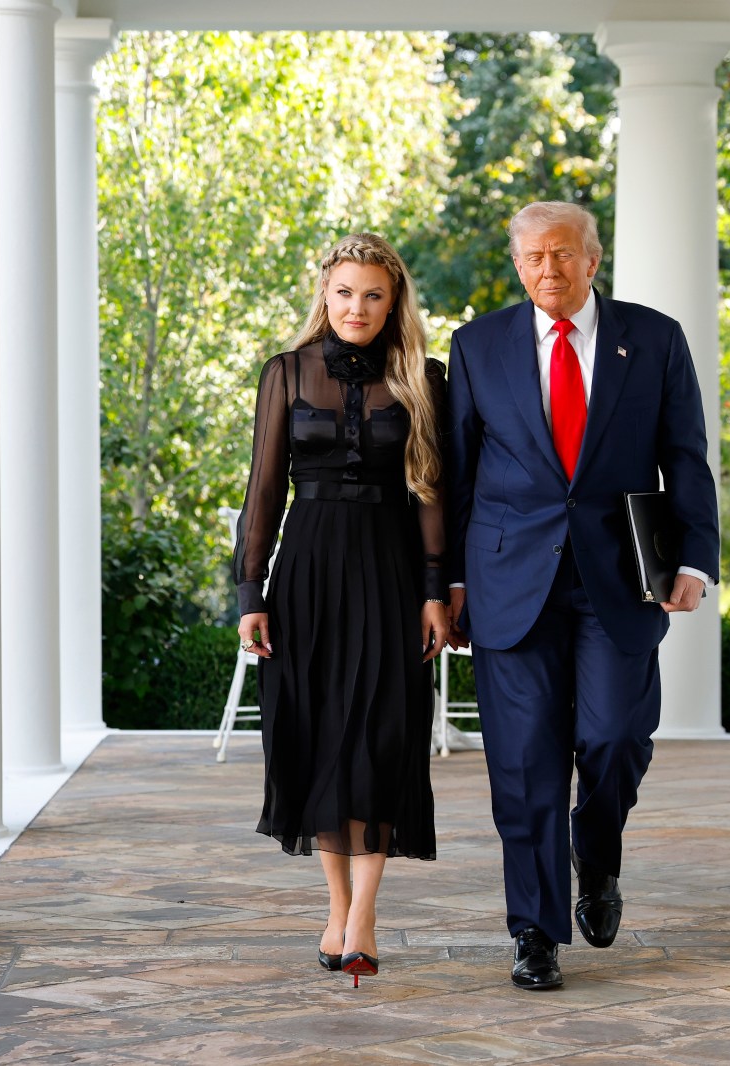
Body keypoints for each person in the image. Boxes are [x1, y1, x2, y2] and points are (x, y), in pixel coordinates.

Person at [443, 202, 720, 990]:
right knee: (525, 761)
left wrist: (695, 558)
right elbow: (457, 471)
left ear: (592, 260)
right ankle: (534, 931)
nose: (548, 270)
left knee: (614, 736)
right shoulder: (477, 346)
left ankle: (596, 857)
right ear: (517, 264)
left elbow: (685, 455)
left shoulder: (654, 338)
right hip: (507, 581)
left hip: (620, 577)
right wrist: (450, 583)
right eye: (533, 257)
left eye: (562, 254)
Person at [234, 233, 451, 987]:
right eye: (345, 293)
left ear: (393, 304)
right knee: (320, 739)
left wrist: (435, 590)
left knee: (382, 738)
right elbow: (264, 489)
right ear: (325, 296)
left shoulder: (423, 378)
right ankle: (338, 909)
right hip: (308, 574)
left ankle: (365, 918)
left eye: (373, 295)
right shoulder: (286, 372)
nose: (357, 307)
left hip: (392, 574)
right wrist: (250, 592)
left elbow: (432, 491)